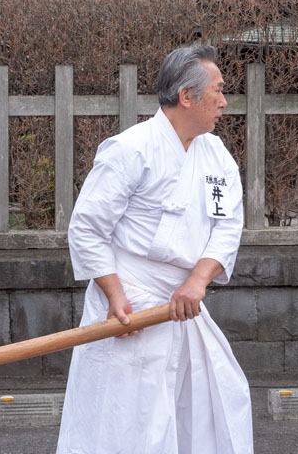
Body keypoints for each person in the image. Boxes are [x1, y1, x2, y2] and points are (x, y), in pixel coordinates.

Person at [56, 45, 253, 454]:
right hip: (130, 305)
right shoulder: (130, 149)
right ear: (187, 96)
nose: (224, 100)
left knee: (205, 408)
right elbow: (88, 229)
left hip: (183, 305)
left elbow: (228, 225)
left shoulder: (216, 155)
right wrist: (115, 296)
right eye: (217, 90)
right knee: (126, 418)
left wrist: (197, 283)